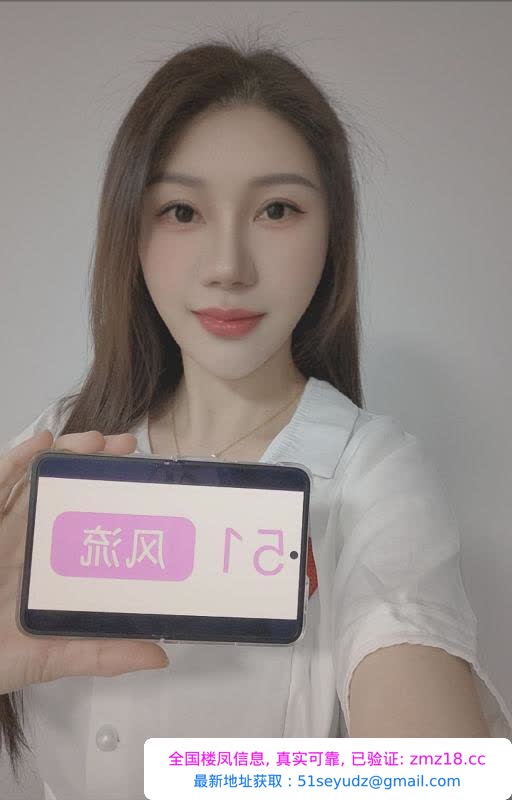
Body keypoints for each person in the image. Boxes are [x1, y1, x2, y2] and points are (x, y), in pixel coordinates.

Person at [1, 32, 511, 800]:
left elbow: (431, 771)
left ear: (331, 233)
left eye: (277, 209)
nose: (228, 267)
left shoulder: (374, 479)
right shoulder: (58, 448)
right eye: (181, 211)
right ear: (130, 232)